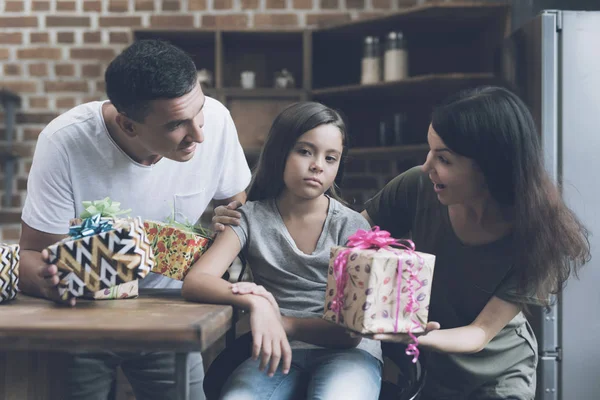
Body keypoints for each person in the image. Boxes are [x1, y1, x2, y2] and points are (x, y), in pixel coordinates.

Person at [212, 86, 591, 400]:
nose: (427, 167)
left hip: (496, 375)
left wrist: (408, 333)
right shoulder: (419, 186)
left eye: (443, 158)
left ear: (489, 166)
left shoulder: (539, 238)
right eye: (430, 151)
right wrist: (249, 209)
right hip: (429, 369)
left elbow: (478, 335)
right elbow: (344, 236)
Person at [18, 39, 251, 400]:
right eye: (177, 125)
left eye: (199, 112)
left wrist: (225, 230)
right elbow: (31, 255)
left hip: (172, 313)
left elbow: (238, 204)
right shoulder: (64, 141)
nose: (199, 135)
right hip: (82, 315)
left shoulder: (217, 121)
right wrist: (49, 282)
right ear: (128, 126)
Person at [182, 102, 383, 400]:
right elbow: (197, 281)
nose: (318, 165)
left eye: (331, 158)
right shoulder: (249, 217)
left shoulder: (351, 226)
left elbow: (349, 335)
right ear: (280, 152)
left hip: (348, 356)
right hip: (271, 351)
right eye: (305, 151)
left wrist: (282, 322)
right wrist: (257, 301)